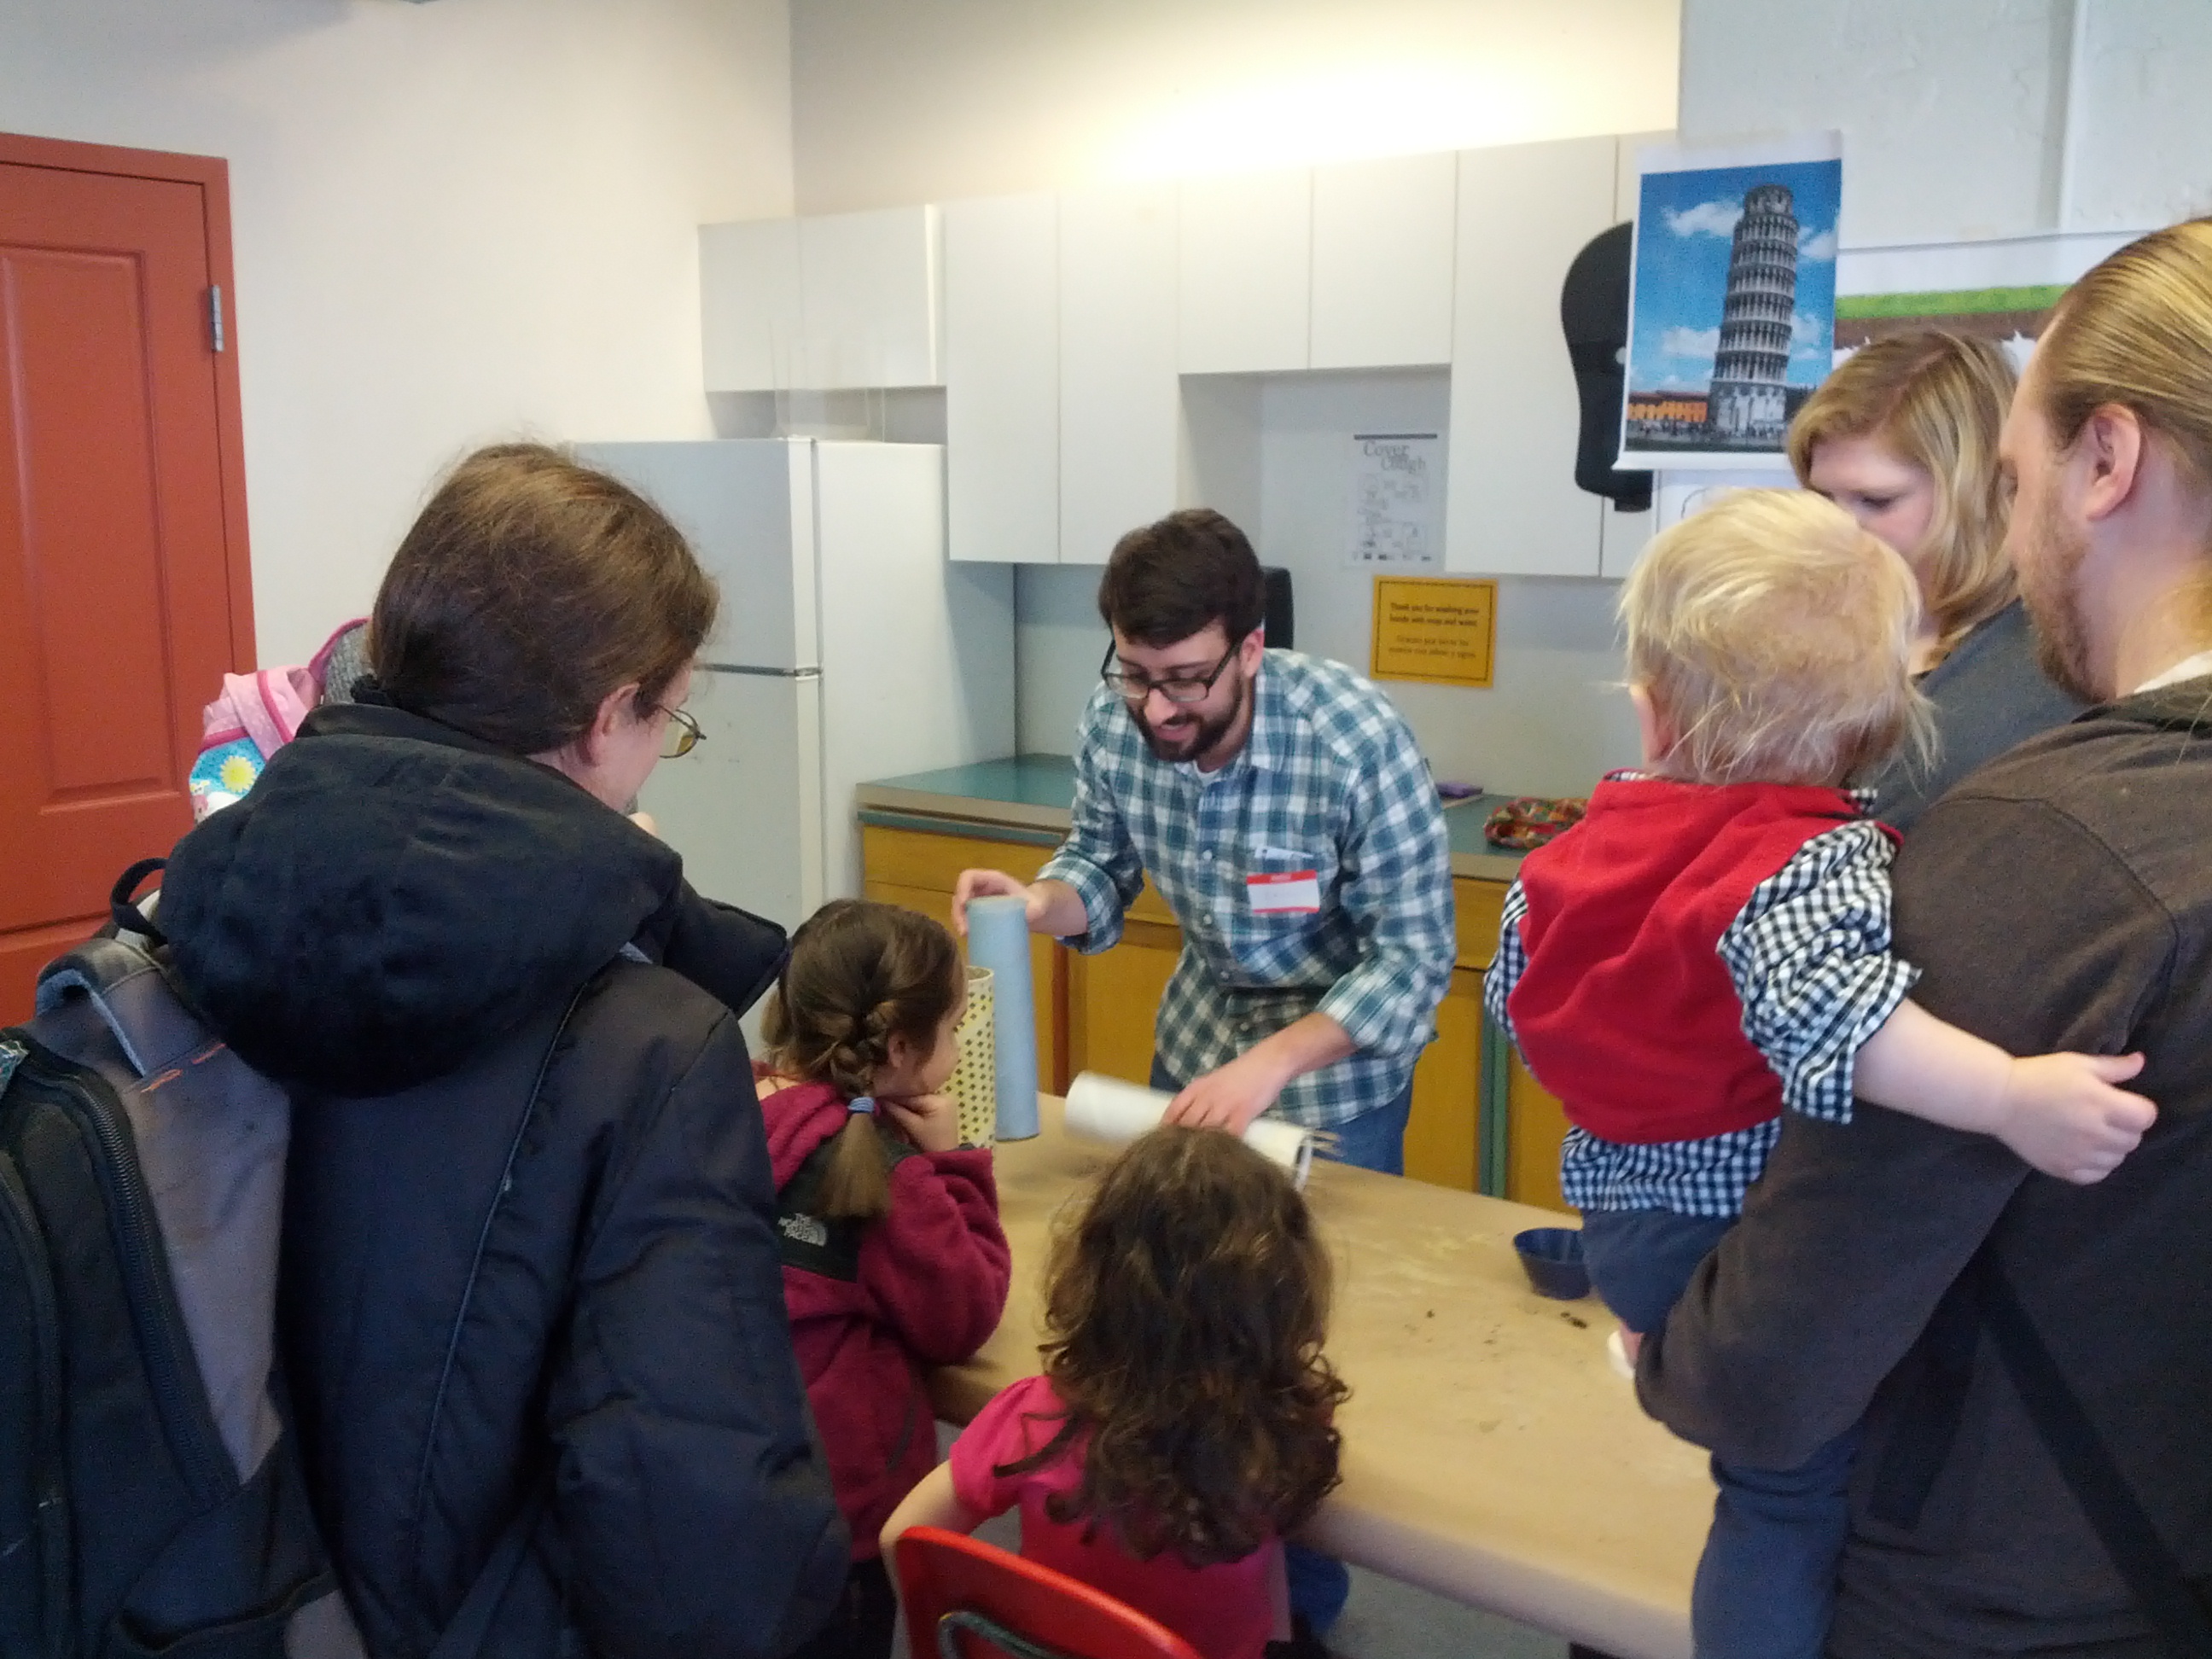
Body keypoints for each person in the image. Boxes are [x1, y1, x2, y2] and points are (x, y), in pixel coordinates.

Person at [155, 443, 845, 1659]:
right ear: (601, 719)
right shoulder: (648, 1050)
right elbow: (695, 1534)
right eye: (666, 721)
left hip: (227, 1603)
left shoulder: (190, 915)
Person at [1639, 220, 2212, 1658]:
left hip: (2013, 1580)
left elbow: (1778, 1359)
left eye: (2015, 484)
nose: (2018, 548)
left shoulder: (2045, 844)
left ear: (2107, 462)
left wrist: (1676, 1349)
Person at [1485, 489, 2155, 1659]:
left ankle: (1660, 1337)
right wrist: (2010, 1094)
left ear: (1649, 715)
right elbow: (1837, 1023)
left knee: (1752, 1475)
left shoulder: (1562, 858)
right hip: (1739, 1232)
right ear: (1875, 736)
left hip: (1619, 1217)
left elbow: (1517, 1000)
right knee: (1784, 1501)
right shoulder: (1809, 858)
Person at [952, 509, 1455, 1175]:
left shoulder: (1355, 742)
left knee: (1331, 1274)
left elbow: (1411, 963)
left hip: (1337, 1093)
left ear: (1249, 651)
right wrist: (1038, 903)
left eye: (1186, 679)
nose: (1157, 708)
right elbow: (1099, 864)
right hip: (1193, 1052)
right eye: (1134, 673)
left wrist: (1267, 1066)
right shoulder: (1112, 723)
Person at [881, 1126, 1345, 1659]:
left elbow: (903, 1538)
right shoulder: (1283, 1429)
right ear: (1283, 1294)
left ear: (1096, 1278)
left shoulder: (1035, 1418)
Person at [756, 899, 1012, 1659]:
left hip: (729, 1468)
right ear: (901, 1046)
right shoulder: (887, 1178)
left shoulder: (728, 1102)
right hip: (839, 1505)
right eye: (955, 1024)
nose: (961, 1042)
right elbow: (965, 1313)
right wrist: (952, 1161)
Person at [1791, 330, 2083, 830]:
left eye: (1876, 501)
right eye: (1822, 500)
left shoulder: (2038, 671)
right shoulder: (1806, 630)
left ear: (1974, 492)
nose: (1835, 532)